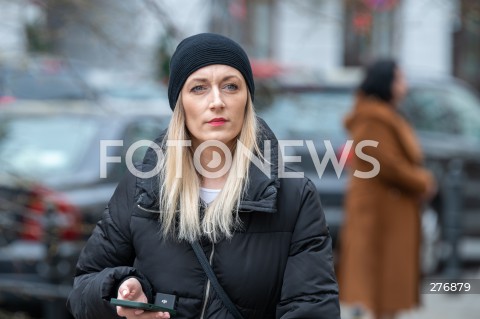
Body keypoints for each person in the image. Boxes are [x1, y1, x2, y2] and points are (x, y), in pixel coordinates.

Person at [66, 33, 340, 319]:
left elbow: (314, 307)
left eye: (231, 86)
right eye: (199, 88)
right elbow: (84, 288)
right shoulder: (142, 187)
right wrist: (122, 291)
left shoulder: (294, 196)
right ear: (180, 102)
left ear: (247, 99)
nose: (217, 101)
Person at [337, 59, 437, 319]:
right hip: (379, 215)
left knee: (384, 287)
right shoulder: (374, 118)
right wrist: (422, 181)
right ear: (386, 82)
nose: (405, 84)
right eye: (400, 79)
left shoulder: (380, 114)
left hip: (385, 211)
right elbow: (386, 163)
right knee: (380, 285)